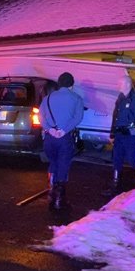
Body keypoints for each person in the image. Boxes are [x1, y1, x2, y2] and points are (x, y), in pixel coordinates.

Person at [38, 72, 84, 211]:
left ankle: (51, 194)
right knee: (63, 166)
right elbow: (78, 118)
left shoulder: (47, 98)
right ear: (71, 85)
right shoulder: (76, 98)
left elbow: (40, 116)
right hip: (64, 138)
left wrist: (49, 129)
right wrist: (64, 130)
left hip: (49, 138)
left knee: (53, 162)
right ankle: (59, 200)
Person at [102, 75, 135, 198]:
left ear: (127, 84)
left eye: (119, 83)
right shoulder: (120, 99)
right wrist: (112, 134)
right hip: (119, 136)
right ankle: (115, 186)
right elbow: (116, 118)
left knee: (133, 160)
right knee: (116, 159)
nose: (117, 86)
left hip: (131, 136)